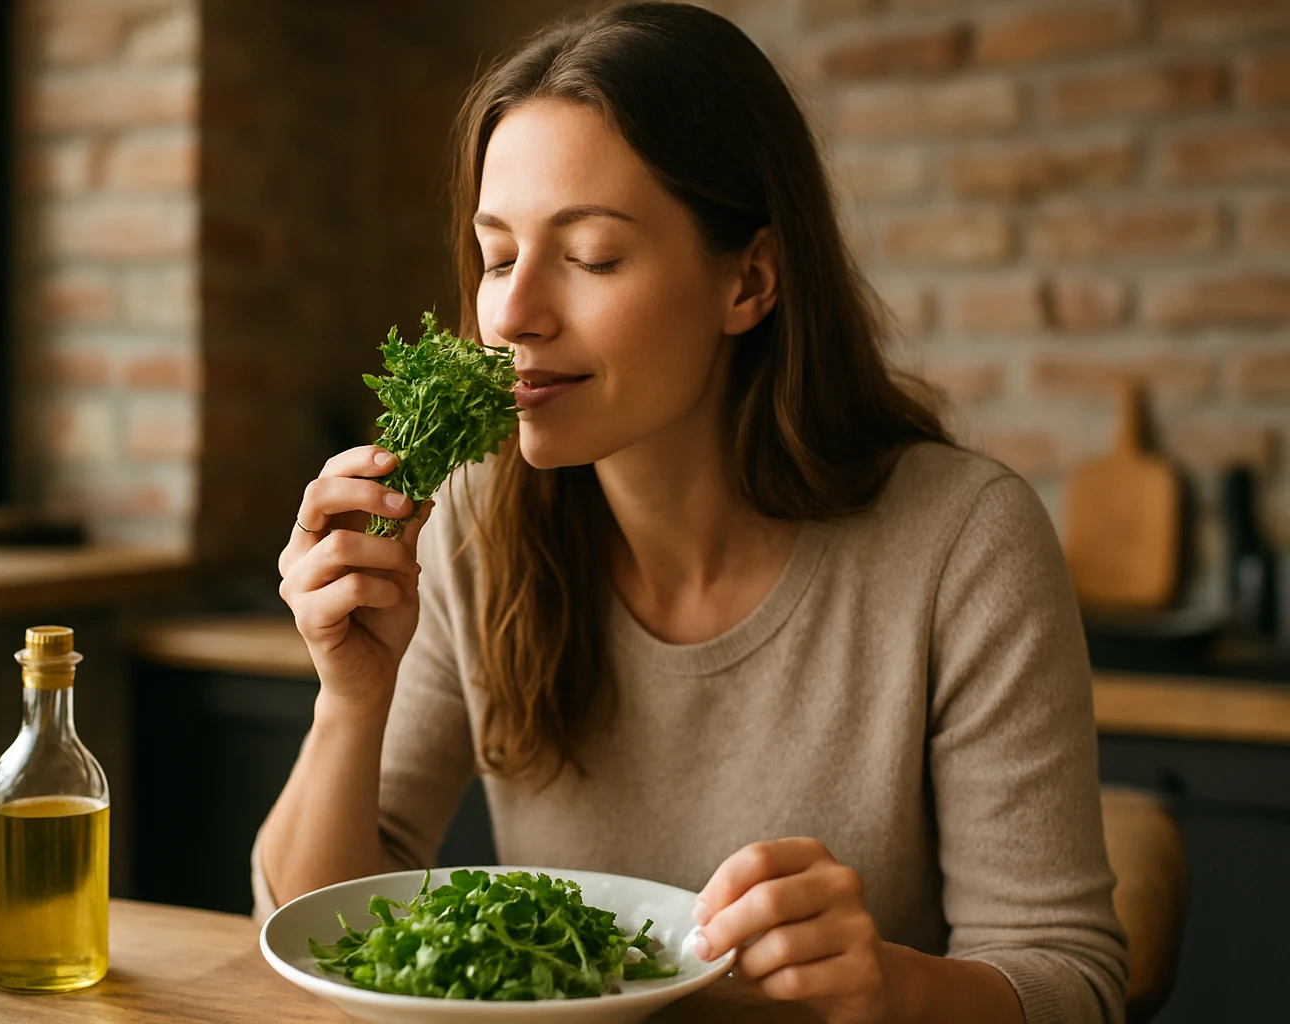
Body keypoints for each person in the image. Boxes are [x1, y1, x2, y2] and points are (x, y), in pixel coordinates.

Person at [254, 3, 1126, 1022]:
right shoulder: (474, 521)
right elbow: (318, 932)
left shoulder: (965, 543)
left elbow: (1073, 980)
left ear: (749, 279)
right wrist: (350, 698)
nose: (514, 314)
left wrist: (893, 984)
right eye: (497, 256)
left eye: (590, 255)